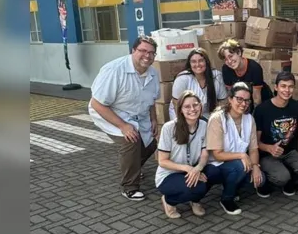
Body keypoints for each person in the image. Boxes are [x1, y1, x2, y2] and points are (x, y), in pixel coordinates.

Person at [89, 36, 160, 201]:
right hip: (110, 112)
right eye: (142, 51)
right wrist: (123, 126)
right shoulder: (114, 70)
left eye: (151, 53)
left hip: (138, 114)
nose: (147, 56)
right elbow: (97, 103)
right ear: (133, 51)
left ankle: (132, 166)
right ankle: (129, 186)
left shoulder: (153, 73)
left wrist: (154, 120)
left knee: (152, 143)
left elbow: (152, 101)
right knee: (131, 140)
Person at [155, 91, 222, 218]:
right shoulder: (169, 128)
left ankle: (195, 200)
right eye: (187, 106)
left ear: (200, 106)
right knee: (197, 187)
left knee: (215, 172)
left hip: (193, 168)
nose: (192, 109)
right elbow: (162, 161)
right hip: (169, 174)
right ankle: (169, 201)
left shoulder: (203, 125)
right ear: (180, 110)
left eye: (195, 105)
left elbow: (204, 154)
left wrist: (198, 168)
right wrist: (188, 169)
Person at [206, 82, 264, 215]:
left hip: (238, 163)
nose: (243, 104)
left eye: (247, 100)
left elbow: (254, 148)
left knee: (261, 179)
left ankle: (233, 186)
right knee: (238, 167)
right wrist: (242, 155)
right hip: (216, 165)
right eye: (239, 99)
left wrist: (255, 166)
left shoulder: (249, 119)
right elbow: (217, 155)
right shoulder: (218, 118)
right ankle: (227, 199)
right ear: (230, 99)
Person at [254, 72, 298, 198]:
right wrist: (269, 148)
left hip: (290, 152)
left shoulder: (297, 106)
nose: (287, 90)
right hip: (268, 155)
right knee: (281, 177)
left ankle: (290, 179)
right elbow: (255, 142)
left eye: (290, 86)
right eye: (283, 86)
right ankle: (264, 181)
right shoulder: (262, 109)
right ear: (276, 87)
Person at [169, 48, 227, 120]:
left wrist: (217, 119)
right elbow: (176, 104)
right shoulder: (182, 79)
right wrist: (183, 123)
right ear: (189, 64)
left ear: (206, 62)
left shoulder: (217, 76)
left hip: (206, 113)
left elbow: (222, 101)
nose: (197, 64)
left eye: (201, 61)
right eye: (193, 62)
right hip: (183, 114)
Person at [218, 39, 268, 113]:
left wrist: (255, 116)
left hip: (259, 99)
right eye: (225, 59)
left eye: (231, 56)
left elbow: (257, 98)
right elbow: (231, 94)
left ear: (239, 52)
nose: (229, 61)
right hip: (240, 101)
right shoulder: (226, 69)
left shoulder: (254, 67)